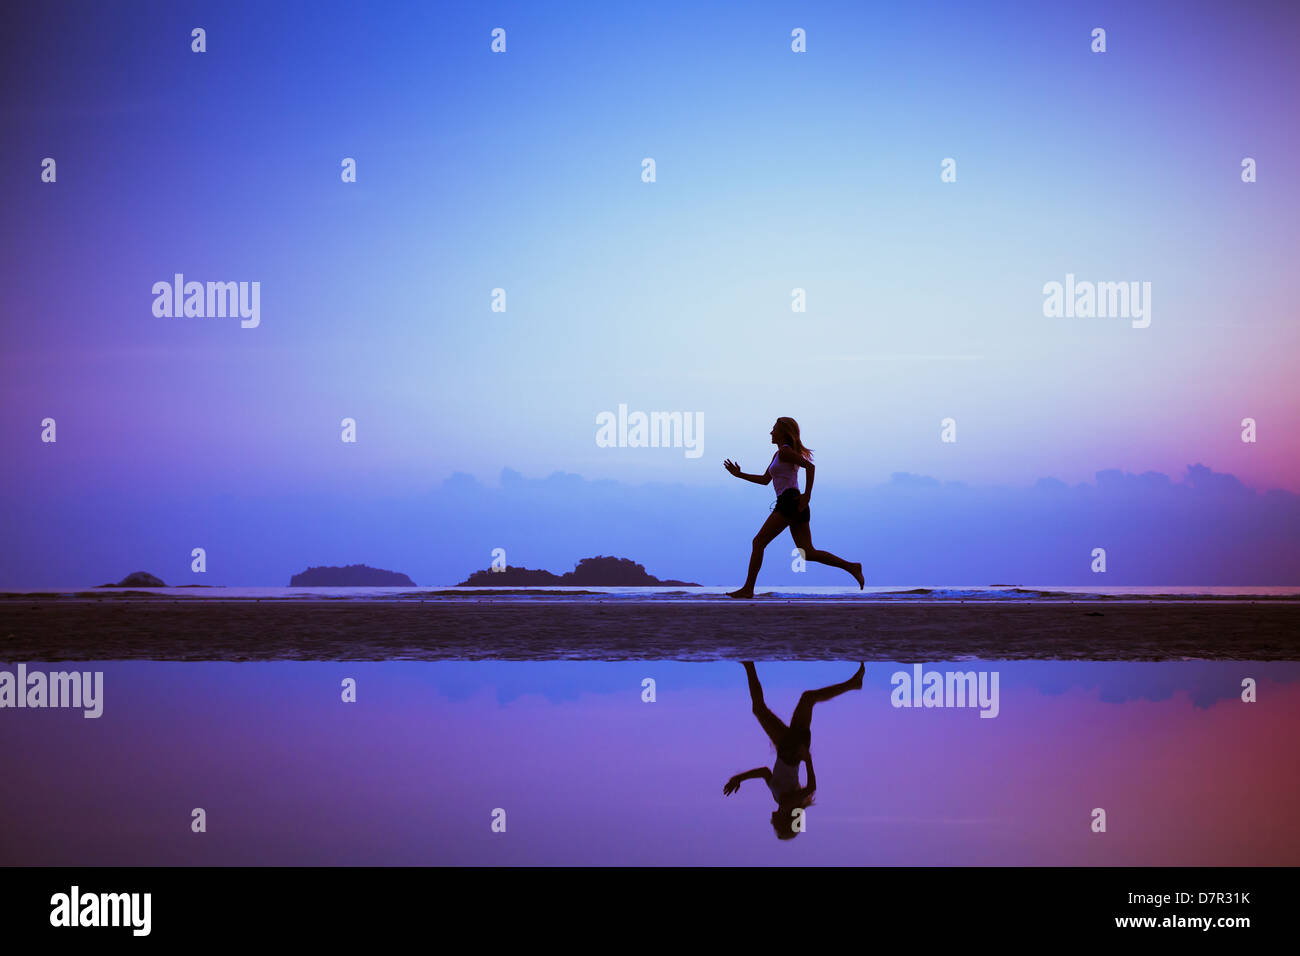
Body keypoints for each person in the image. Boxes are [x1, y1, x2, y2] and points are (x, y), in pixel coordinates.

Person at [722, 417, 864, 598]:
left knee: (758, 542)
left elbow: (810, 467)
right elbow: (765, 480)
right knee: (808, 552)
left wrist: (807, 496)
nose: (770, 432)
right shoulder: (779, 454)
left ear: (783, 432)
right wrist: (739, 474)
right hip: (794, 503)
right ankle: (852, 566)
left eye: (774, 429)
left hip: (789, 502)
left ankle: (748, 589)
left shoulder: (785, 453)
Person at [723, 661, 865, 839]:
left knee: (806, 699)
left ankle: (853, 684)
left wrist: (740, 778)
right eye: (776, 827)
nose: (771, 823)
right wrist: (807, 759)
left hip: (788, 748)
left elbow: (765, 772)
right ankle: (749, 665)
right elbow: (812, 786)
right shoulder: (786, 802)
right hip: (792, 749)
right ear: (783, 821)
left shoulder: (778, 799)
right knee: (765, 708)